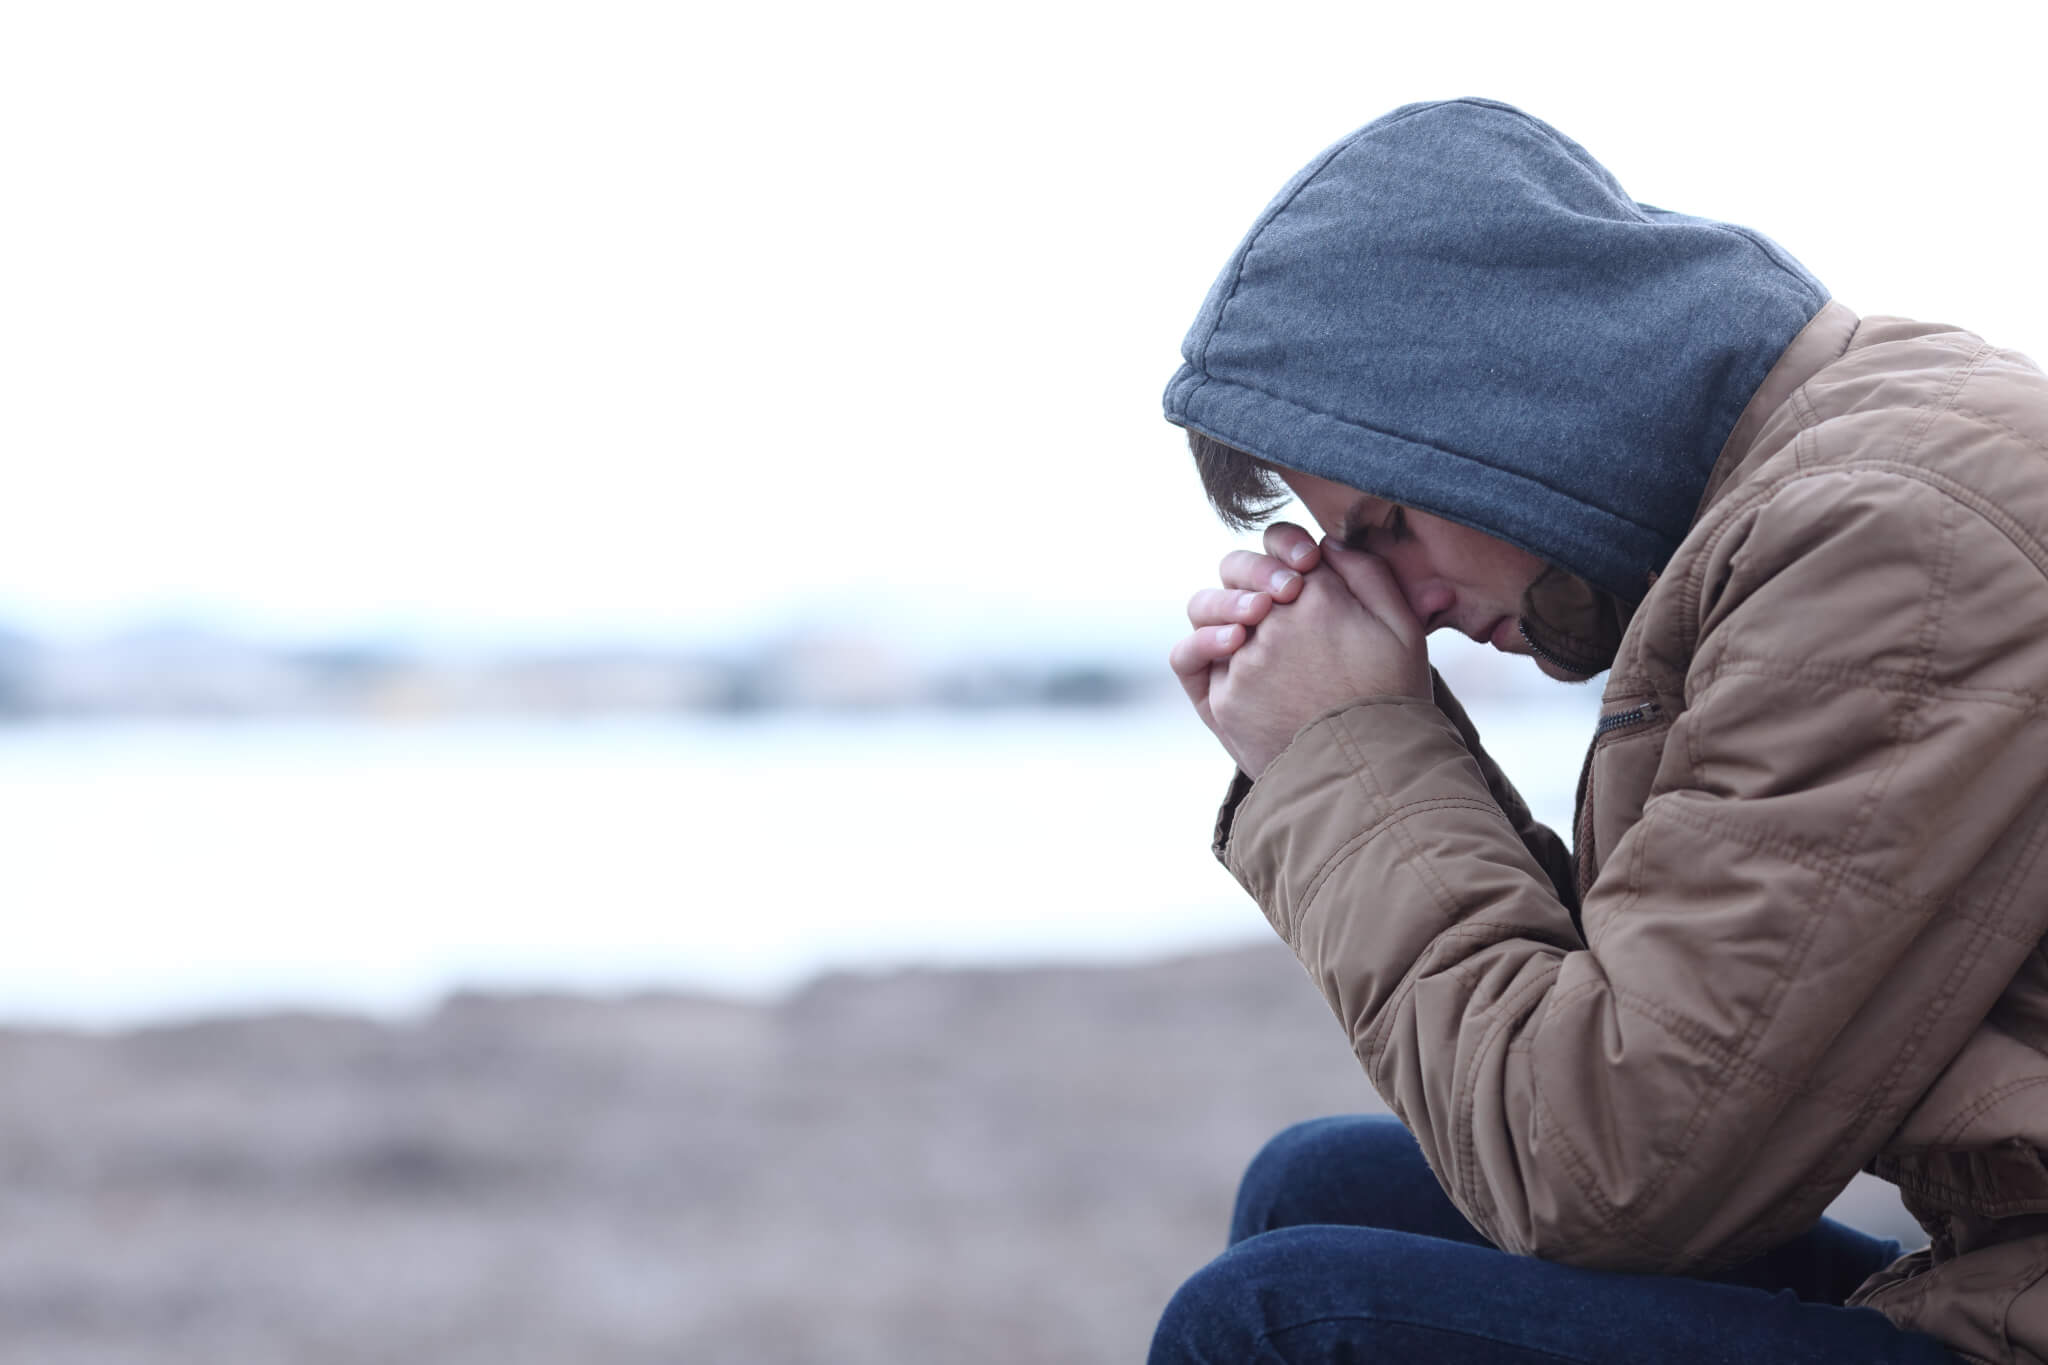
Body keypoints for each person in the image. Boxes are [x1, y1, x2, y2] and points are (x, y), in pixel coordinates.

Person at [1152, 98, 2048, 1364]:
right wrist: (1383, 730)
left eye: (1385, 525)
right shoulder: (1821, 482)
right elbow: (1681, 1041)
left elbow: (1606, 1172)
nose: (1397, 600)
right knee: (1322, 1189)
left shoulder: (1883, 537)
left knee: (1277, 1323)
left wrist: (1343, 752)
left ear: (1503, 414)